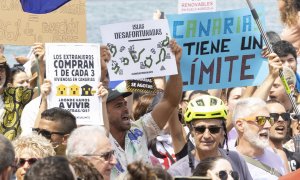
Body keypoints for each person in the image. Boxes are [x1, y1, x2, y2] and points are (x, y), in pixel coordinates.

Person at [106, 40, 183, 178]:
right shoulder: (98, 141)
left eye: (125, 104)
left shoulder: (139, 130)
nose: (125, 109)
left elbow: (170, 102)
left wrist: (175, 66)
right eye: (118, 105)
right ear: (104, 113)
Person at [168, 95, 252, 179]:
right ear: (191, 130)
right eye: (200, 129)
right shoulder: (177, 172)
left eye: (214, 129)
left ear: (223, 130)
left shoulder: (236, 159)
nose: (206, 135)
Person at [232, 97, 286, 179]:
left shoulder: (278, 156)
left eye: (270, 120)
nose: (268, 126)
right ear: (240, 125)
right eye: (261, 120)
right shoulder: (228, 161)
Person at [0, 55, 36, 140]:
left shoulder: (16, 95)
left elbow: (41, 92)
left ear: (6, 72)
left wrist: (40, 64)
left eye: (1, 69)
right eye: (21, 82)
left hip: (9, 151)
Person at [267, 100, 296, 172]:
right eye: (274, 116)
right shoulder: (256, 158)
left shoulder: (295, 157)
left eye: (285, 116)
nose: (281, 120)